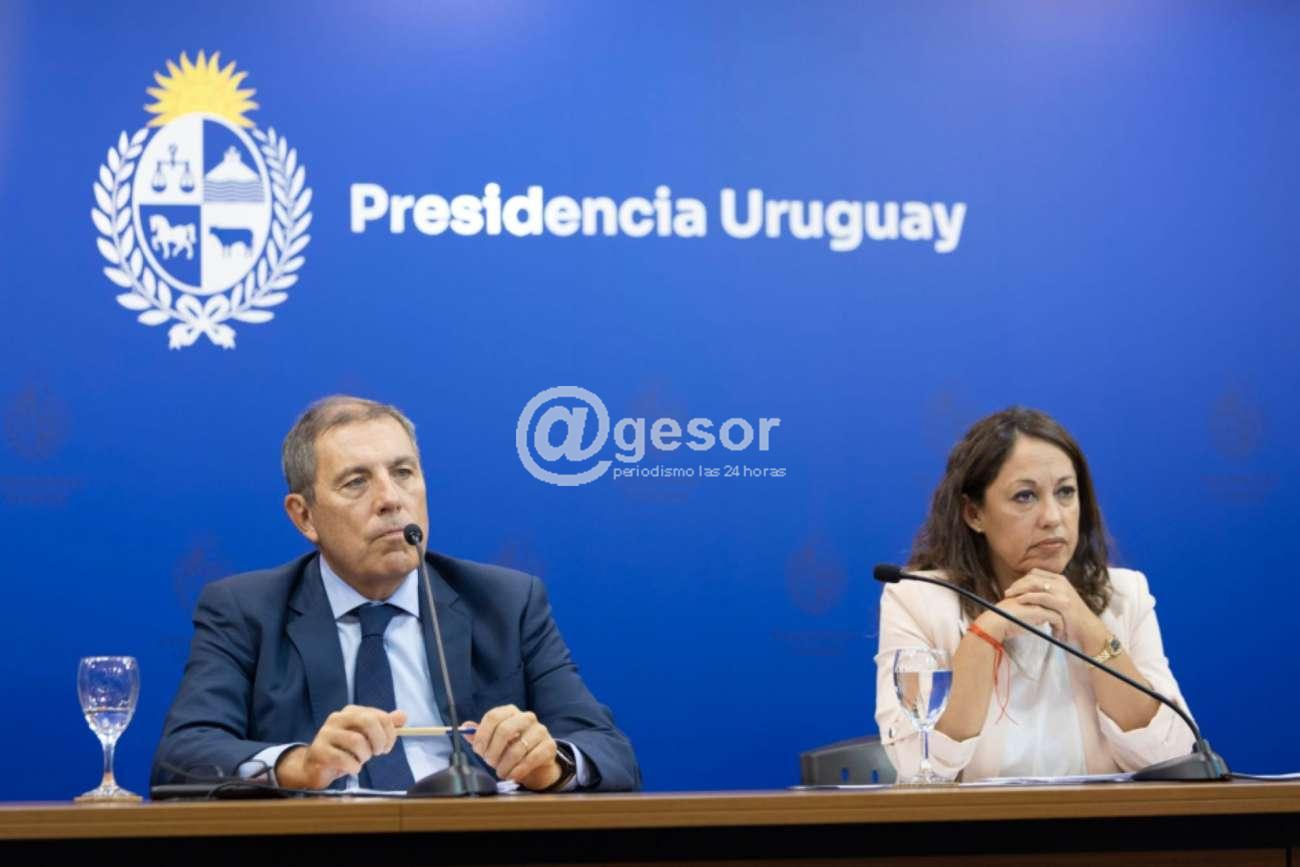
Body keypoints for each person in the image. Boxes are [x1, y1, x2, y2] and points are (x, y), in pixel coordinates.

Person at [152, 395, 640, 792]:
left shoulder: (506, 602)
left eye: (403, 473)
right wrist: (299, 766)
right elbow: (181, 758)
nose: (390, 499)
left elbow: (609, 751)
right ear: (304, 516)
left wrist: (549, 765)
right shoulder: (246, 611)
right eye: (356, 482)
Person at [875, 407, 1196, 782]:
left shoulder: (1124, 595)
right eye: (1025, 496)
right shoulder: (919, 600)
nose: (1053, 517)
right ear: (974, 513)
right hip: (977, 821)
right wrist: (983, 637)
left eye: (1066, 492)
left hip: (1102, 819)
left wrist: (1092, 632)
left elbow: (1169, 755)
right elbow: (918, 766)